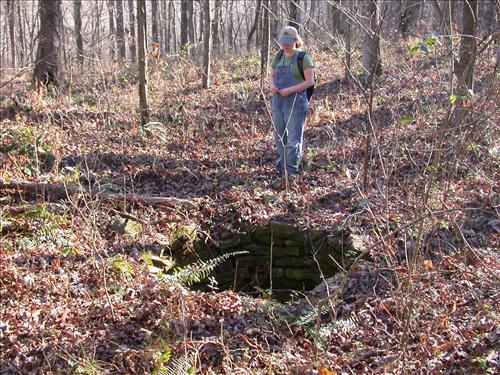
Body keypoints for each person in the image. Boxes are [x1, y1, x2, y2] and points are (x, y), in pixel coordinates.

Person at [269, 26, 315, 180]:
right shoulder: (279, 56)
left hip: (296, 101)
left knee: (294, 138)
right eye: (283, 42)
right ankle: (282, 165)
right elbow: (272, 75)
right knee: (279, 136)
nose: (285, 45)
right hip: (278, 101)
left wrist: (290, 90)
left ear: (296, 41)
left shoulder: (303, 58)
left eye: (288, 42)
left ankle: (291, 170)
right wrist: (273, 86)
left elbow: (310, 81)